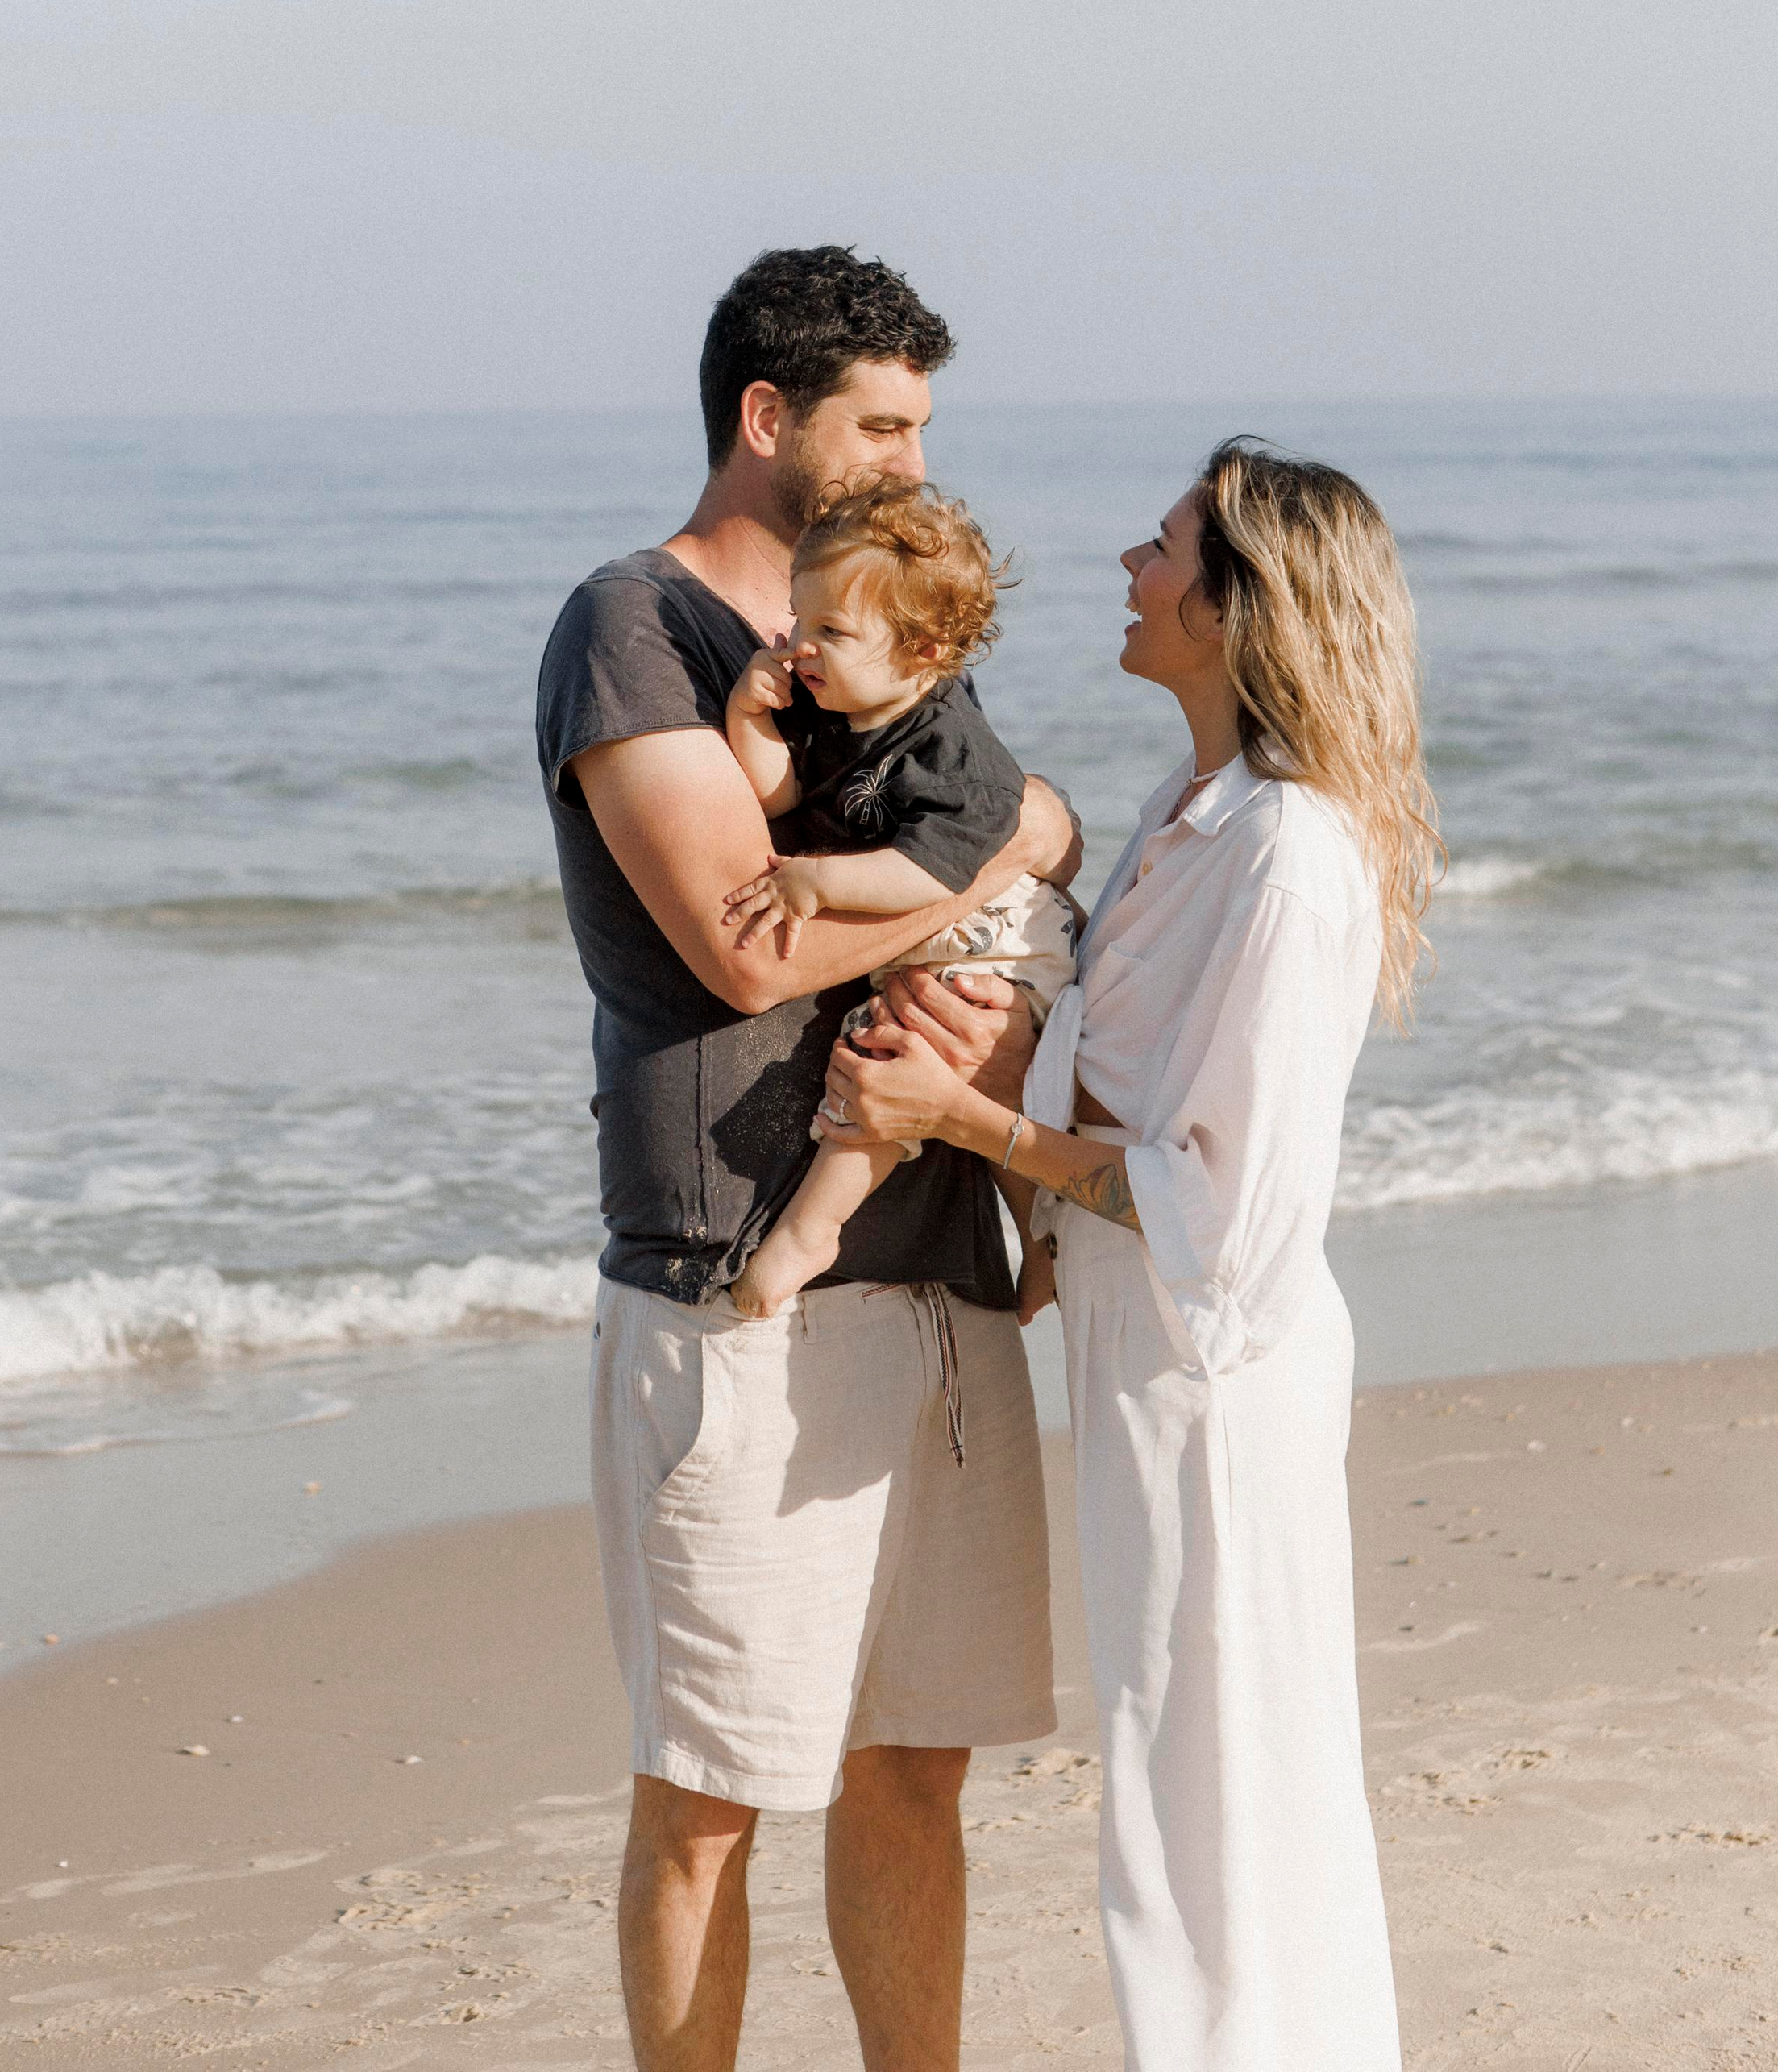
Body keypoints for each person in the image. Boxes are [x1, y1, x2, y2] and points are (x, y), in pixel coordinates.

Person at [819, 440, 1441, 2071]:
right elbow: (1126, 1081)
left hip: (1209, 1381)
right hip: (1133, 1347)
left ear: (1241, 608)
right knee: (1194, 1781)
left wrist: (958, 1121)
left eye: (1162, 548)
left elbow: (1220, 1212)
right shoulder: (1187, 815)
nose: (1124, 562)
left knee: (1210, 1803)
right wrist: (1028, 1212)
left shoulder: (1287, 860)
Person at [534, 244, 1078, 2072]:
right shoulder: (634, 632)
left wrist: (1003, 856)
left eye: (924, 426)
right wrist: (991, 865)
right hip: (730, 1288)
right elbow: (743, 943)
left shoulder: (891, 640)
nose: (914, 464)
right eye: (881, 424)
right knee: (708, 1794)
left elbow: (1023, 820)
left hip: (927, 1279)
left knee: (909, 1771)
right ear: (765, 419)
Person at [719, 471, 1077, 1322]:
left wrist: (821, 879)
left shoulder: (951, 743)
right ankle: (1046, 1249)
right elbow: (772, 798)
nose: (800, 646)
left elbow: (934, 876)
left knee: (894, 1056)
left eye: (831, 630)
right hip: (948, 939)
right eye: (798, 620)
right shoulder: (837, 702)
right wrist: (748, 717)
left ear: (920, 652)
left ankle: (815, 1229)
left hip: (1002, 941)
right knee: (956, 1079)